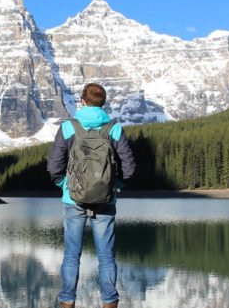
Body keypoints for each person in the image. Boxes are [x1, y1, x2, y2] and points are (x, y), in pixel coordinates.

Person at [47, 83, 136, 308]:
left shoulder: (68, 127)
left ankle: (67, 301)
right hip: (106, 200)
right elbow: (129, 166)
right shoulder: (114, 128)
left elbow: (54, 165)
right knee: (106, 257)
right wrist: (114, 185)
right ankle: (109, 302)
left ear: (83, 101)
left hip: (73, 200)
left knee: (71, 255)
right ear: (103, 103)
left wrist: (65, 184)